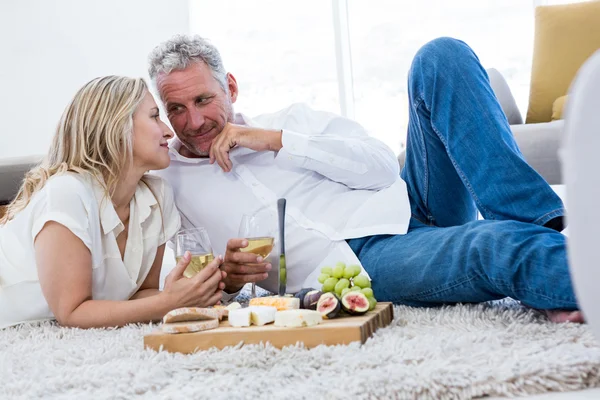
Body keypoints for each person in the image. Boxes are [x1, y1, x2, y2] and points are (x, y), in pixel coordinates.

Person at [149, 35, 582, 323]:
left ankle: (543, 227)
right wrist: (232, 279)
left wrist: (278, 141)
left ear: (230, 87)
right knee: (495, 245)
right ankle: (568, 274)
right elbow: (207, 289)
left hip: (408, 198)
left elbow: (380, 164)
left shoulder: (288, 122)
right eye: (177, 109)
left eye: (204, 99)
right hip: (365, 260)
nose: (195, 121)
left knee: (441, 56)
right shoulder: (173, 187)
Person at [0, 76, 226, 329]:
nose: (168, 131)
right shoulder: (66, 192)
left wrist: (188, 294)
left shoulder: (157, 196)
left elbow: (140, 295)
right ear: (117, 128)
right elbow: (71, 312)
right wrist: (167, 303)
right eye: (154, 116)